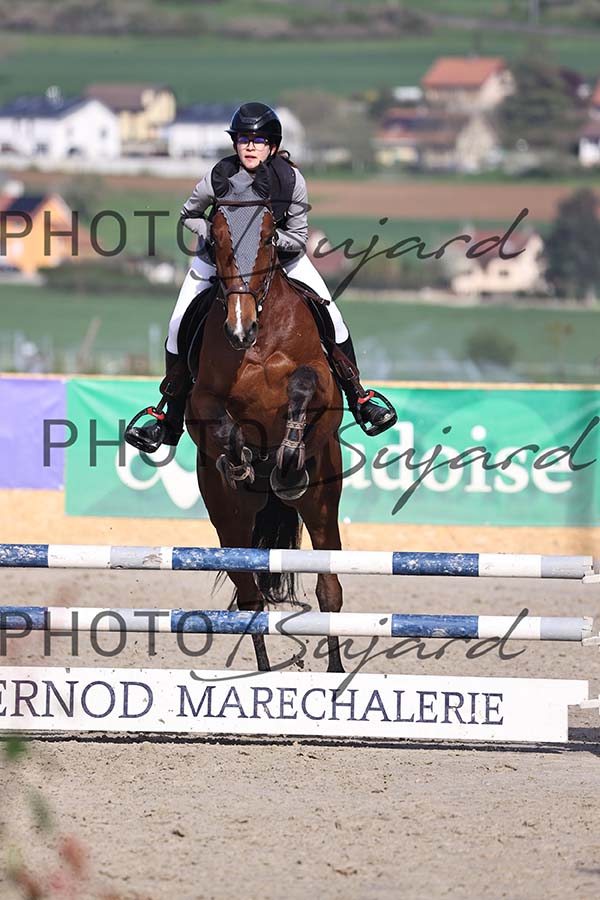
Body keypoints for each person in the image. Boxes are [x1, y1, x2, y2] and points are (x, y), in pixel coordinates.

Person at [126, 102, 396, 453]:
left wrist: (264, 241)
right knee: (178, 324)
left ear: (272, 146)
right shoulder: (219, 176)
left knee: (333, 318)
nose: (250, 147)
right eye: (243, 140)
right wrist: (216, 236)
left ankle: (358, 398)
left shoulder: (290, 180)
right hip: (218, 263)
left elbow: (298, 235)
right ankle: (169, 416)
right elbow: (188, 214)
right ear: (235, 143)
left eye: (258, 140)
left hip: (282, 261)